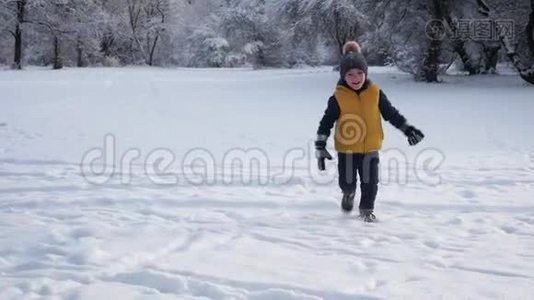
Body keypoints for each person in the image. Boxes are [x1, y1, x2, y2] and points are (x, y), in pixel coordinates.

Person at [315, 41, 425, 222]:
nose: (355, 77)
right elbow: (326, 122)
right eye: (350, 74)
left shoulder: (375, 93)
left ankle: (366, 210)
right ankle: (348, 193)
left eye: (360, 73)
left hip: (371, 148)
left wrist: (407, 129)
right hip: (347, 149)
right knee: (347, 181)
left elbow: (391, 114)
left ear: (366, 73)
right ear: (343, 76)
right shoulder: (337, 98)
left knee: (370, 183)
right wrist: (320, 145)